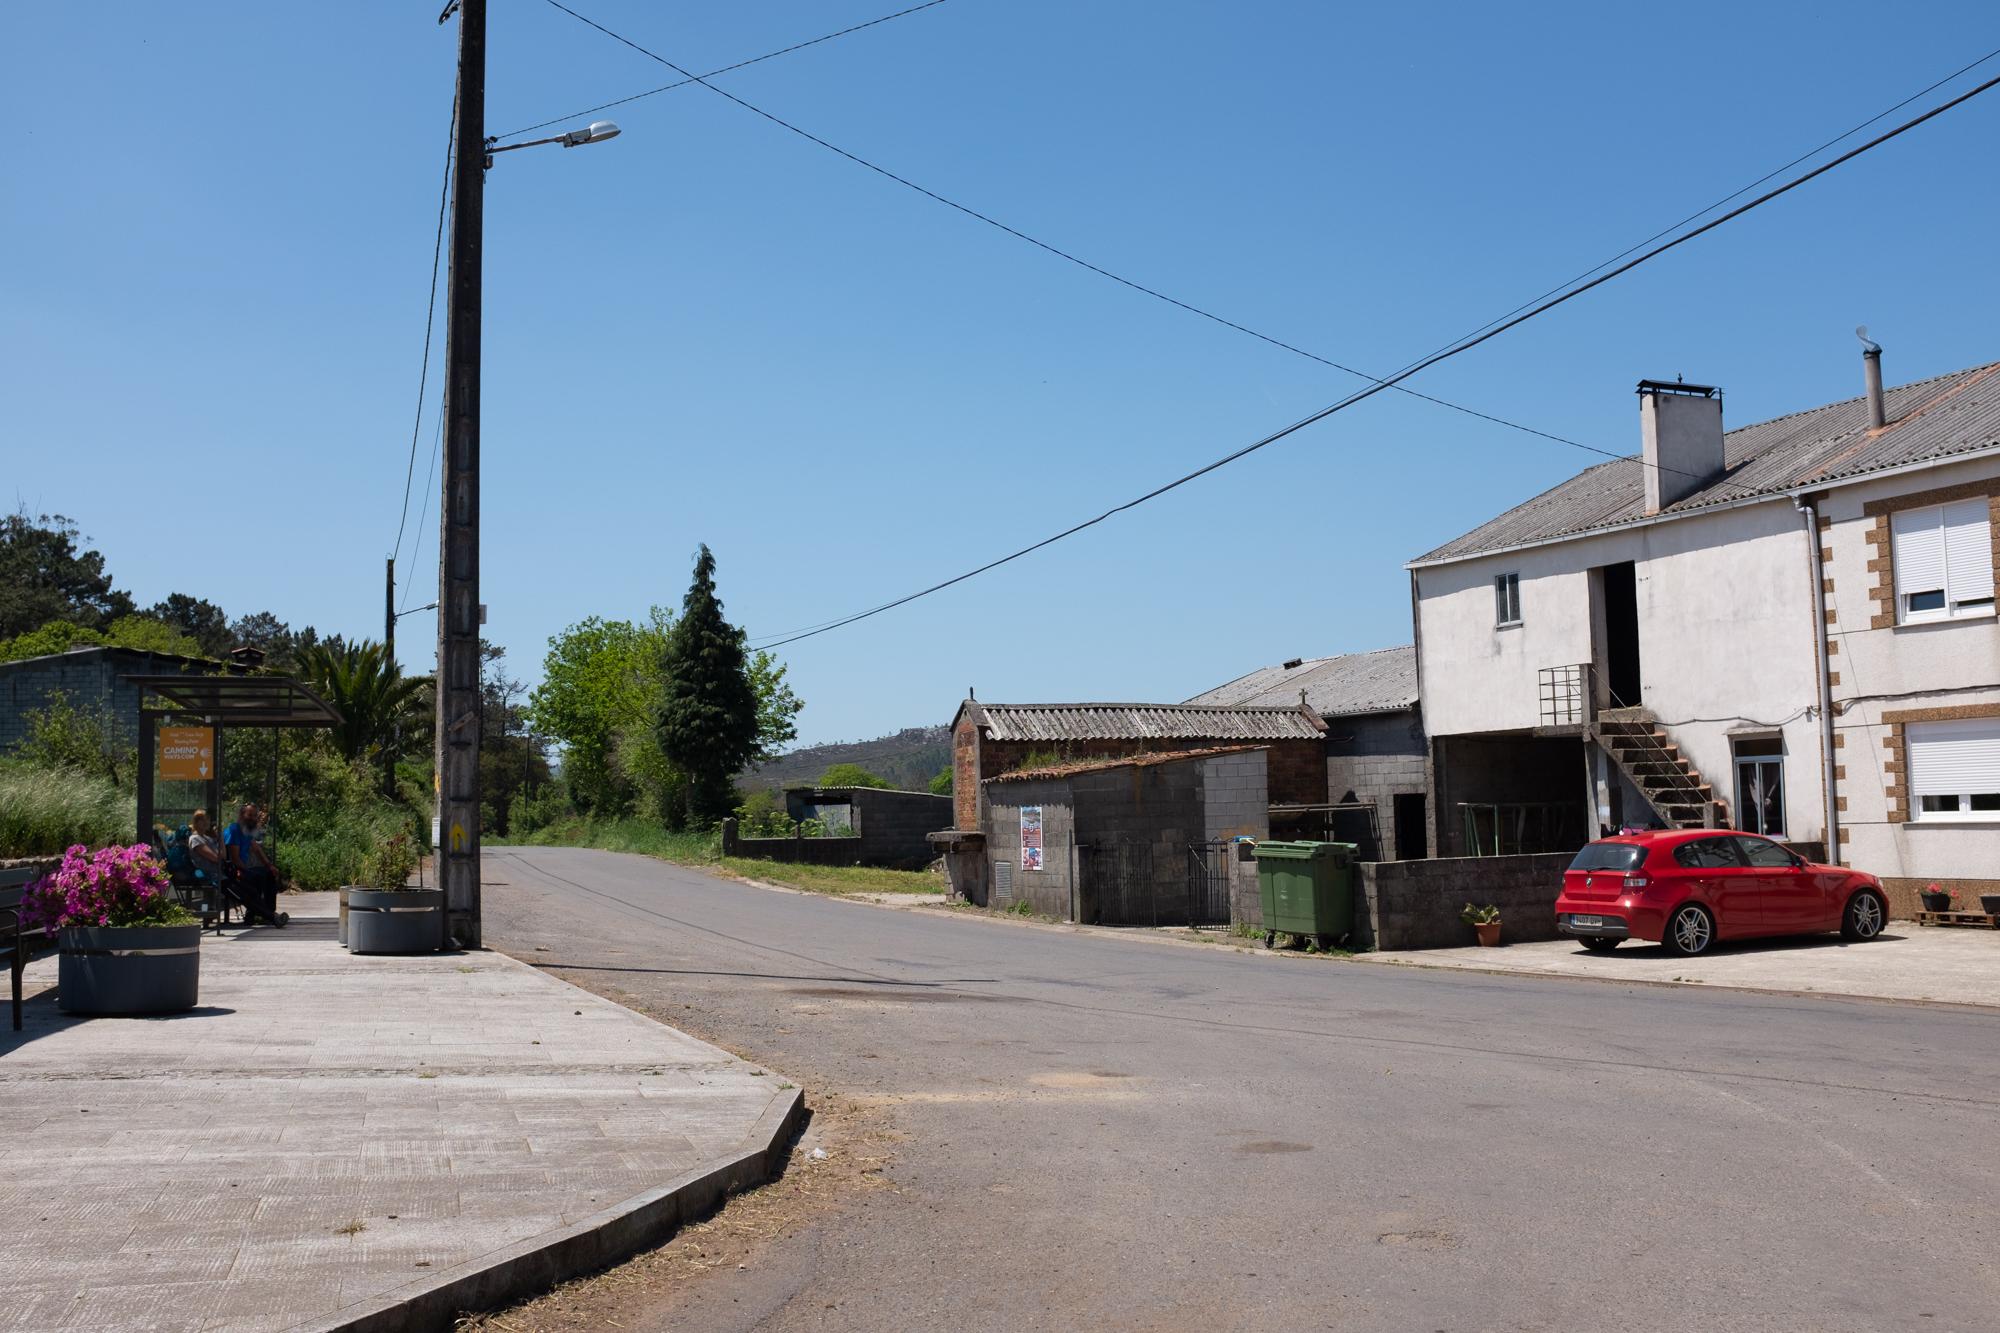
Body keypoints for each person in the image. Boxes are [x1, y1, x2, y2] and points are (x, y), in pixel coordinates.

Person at [224, 803, 288, 927]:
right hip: (232, 870)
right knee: (256, 878)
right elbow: (234, 858)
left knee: (268, 874)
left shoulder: (246, 830)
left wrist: (270, 866)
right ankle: (257, 915)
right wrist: (246, 871)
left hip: (243, 867)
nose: (253, 818)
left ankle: (269, 913)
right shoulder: (234, 830)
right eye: (250, 815)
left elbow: (257, 849)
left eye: (254, 815)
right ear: (242, 815)